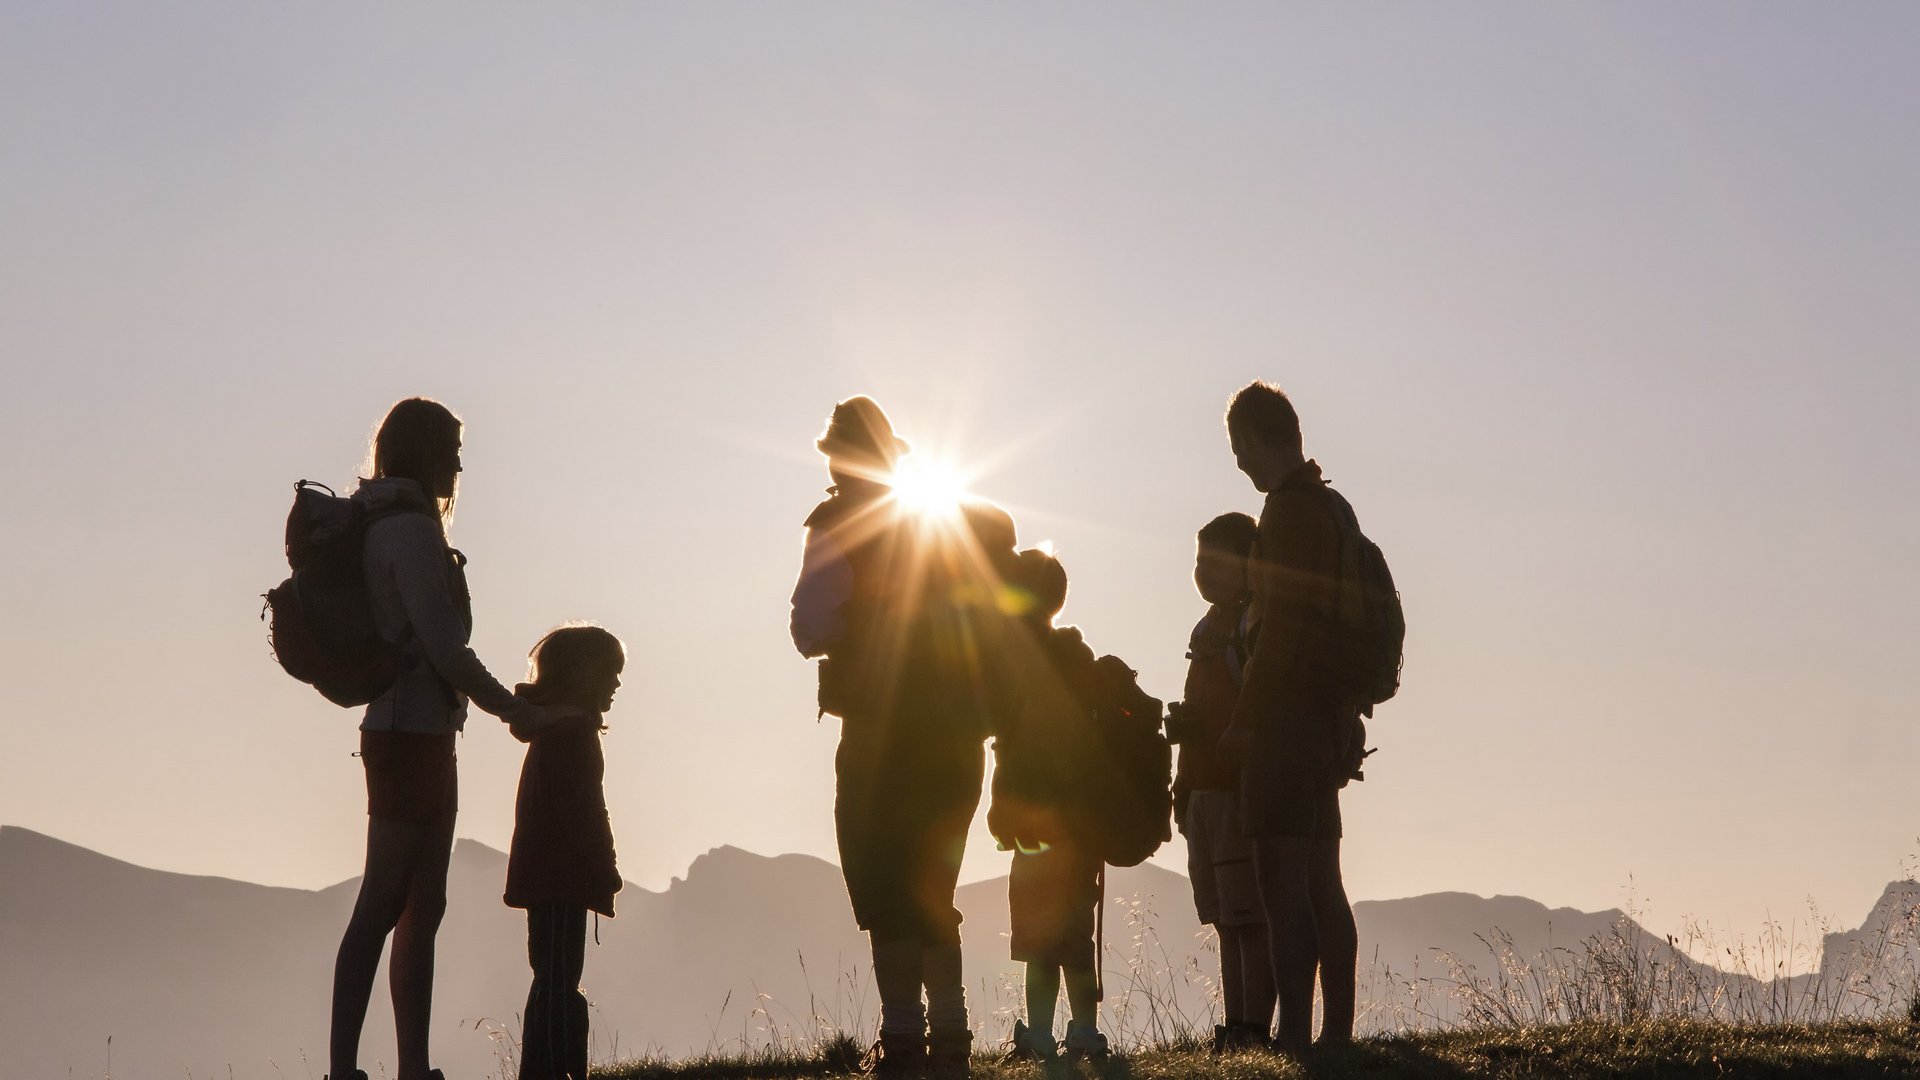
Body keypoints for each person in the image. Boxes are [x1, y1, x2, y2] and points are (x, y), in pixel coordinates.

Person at [327, 397, 556, 1080]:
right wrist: (515, 711)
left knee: (418, 904)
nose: (459, 465)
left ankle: (405, 1067)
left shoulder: (386, 524)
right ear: (426, 453)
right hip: (411, 735)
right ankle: (356, 1068)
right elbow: (446, 649)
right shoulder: (411, 533)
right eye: (452, 452)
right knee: (386, 903)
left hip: (415, 733)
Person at [789, 397, 997, 1078]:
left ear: (837, 457)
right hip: (956, 733)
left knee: (884, 885)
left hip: (881, 733)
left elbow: (810, 627)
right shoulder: (941, 519)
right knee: (934, 888)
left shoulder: (835, 525)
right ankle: (954, 1037)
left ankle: (904, 1038)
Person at [1218, 382, 1360, 1056]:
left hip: (1284, 722)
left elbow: (1279, 631)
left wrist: (1246, 720)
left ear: (1253, 436)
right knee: (1324, 881)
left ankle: (1297, 1037)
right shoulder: (1334, 507)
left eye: (1238, 446)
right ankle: (1335, 1033)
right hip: (1329, 719)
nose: (1239, 461)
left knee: (1281, 885)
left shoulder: (1285, 513)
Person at [988, 548, 1109, 1063]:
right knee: (1076, 939)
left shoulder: (1015, 662)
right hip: (1080, 828)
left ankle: (1039, 1033)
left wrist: (1001, 814)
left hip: (1035, 828)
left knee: (1038, 941)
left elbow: (1013, 751)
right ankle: (1084, 1030)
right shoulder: (1078, 659)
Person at [1167, 512, 1275, 1053]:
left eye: (1215, 562)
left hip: (1234, 792)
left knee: (1248, 918)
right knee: (1225, 921)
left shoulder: (1247, 628)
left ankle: (1253, 1026)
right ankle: (1237, 1026)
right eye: (1198, 562)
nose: (1203, 573)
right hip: (1202, 790)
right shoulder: (1207, 629)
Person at [504, 624, 625, 1080]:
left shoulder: (552, 728)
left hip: (549, 875)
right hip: (560, 876)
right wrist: (604, 866)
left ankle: (548, 1069)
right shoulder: (573, 733)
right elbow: (584, 810)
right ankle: (556, 1070)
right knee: (558, 980)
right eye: (610, 672)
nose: (616, 683)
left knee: (552, 977)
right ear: (584, 675)